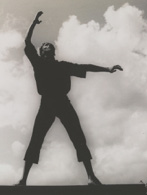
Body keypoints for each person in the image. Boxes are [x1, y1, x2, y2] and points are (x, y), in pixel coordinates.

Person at [17, 11, 123, 186]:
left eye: (50, 45)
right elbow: (27, 42)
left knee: (78, 137)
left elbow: (86, 67)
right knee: (36, 139)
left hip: (63, 102)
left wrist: (107, 68)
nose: (47, 45)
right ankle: (23, 179)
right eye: (44, 45)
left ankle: (91, 176)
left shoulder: (63, 66)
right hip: (47, 104)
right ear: (41, 51)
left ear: (53, 51)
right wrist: (34, 23)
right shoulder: (38, 63)